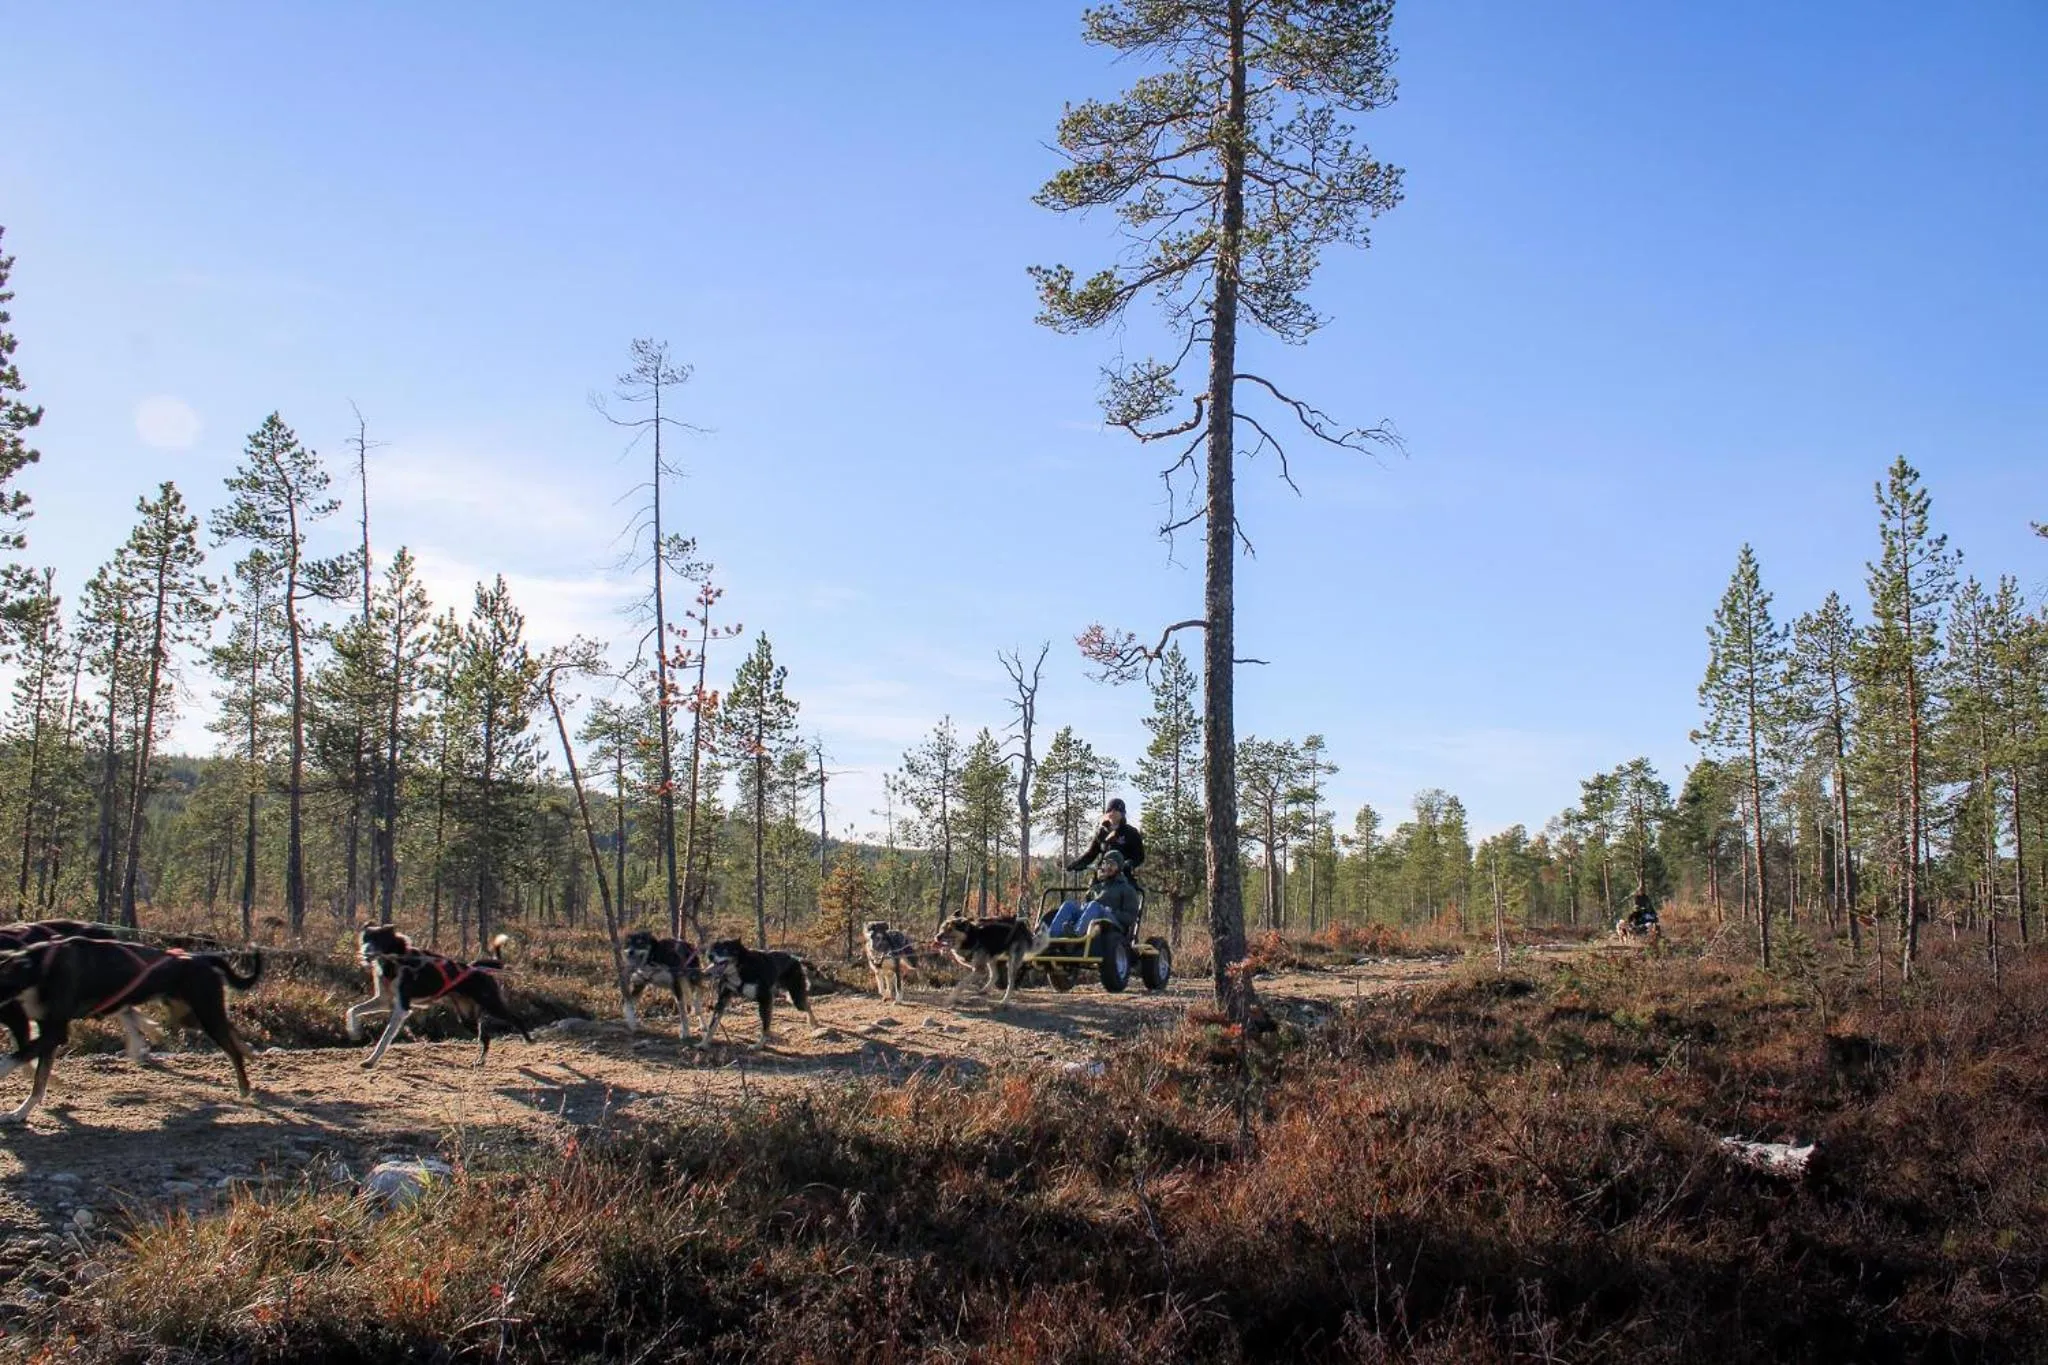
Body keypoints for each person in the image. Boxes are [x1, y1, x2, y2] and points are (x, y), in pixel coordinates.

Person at [1035, 849, 1141, 947]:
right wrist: (1095, 881)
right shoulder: (1098, 886)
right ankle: (1051, 937)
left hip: (1114, 926)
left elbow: (1130, 918)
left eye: (1112, 864)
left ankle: (1077, 936)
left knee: (1094, 905)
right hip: (1093, 922)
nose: (1107, 867)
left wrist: (1111, 911)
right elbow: (1087, 905)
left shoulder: (1126, 889)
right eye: (1105, 863)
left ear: (1119, 867)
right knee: (1069, 905)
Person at [1070, 798, 1144, 881]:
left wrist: (1129, 864)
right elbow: (1091, 854)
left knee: (1131, 892)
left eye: (1116, 810)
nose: (1112, 812)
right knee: (1092, 892)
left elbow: (1139, 856)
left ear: (1122, 813)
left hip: (1123, 876)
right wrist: (1077, 864)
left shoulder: (1131, 832)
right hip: (1103, 874)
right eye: (1110, 810)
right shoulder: (1101, 833)